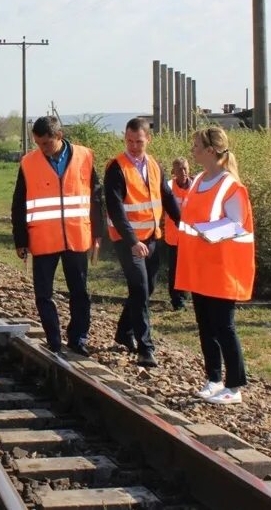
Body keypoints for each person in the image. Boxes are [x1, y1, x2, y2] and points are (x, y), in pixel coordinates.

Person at [175, 127, 255, 405]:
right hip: (199, 267)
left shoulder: (230, 185)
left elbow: (236, 223)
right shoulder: (198, 180)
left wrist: (206, 231)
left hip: (222, 268)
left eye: (196, 145)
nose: (192, 149)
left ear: (211, 151)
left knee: (224, 326)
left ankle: (235, 386)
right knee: (205, 325)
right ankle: (213, 379)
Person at [11, 116, 104, 357]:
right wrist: (20, 240)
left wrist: (97, 233)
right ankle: (53, 340)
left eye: (47, 143)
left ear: (59, 136)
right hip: (43, 239)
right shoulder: (28, 163)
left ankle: (78, 338)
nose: (42, 148)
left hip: (77, 237)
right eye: (38, 143)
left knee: (80, 292)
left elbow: (96, 198)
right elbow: (18, 204)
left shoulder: (85, 157)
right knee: (43, 294)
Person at [104, 117, 181, 368]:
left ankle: (123, 331)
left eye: (138, 141)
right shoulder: (116, 168)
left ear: (148, 139)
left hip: (152, 237)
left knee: (146, 290)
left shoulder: (155, 165)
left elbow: (168, 198)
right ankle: (146, 347)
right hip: (128, 240)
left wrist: (185, 226)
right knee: (139, 289)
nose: (134, 146)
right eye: (129, 141)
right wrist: (133, 241)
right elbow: (116, 209)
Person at [164, 157, 192, 311]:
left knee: (190, 267)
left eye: (186, 168)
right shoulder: (168, 186)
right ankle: (177, 301)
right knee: (175, 270)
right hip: (174, 236)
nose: (183, 172)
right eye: (180, 169)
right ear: (173, 172)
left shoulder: (195, 185)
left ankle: (188, 296)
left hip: (191, 236)